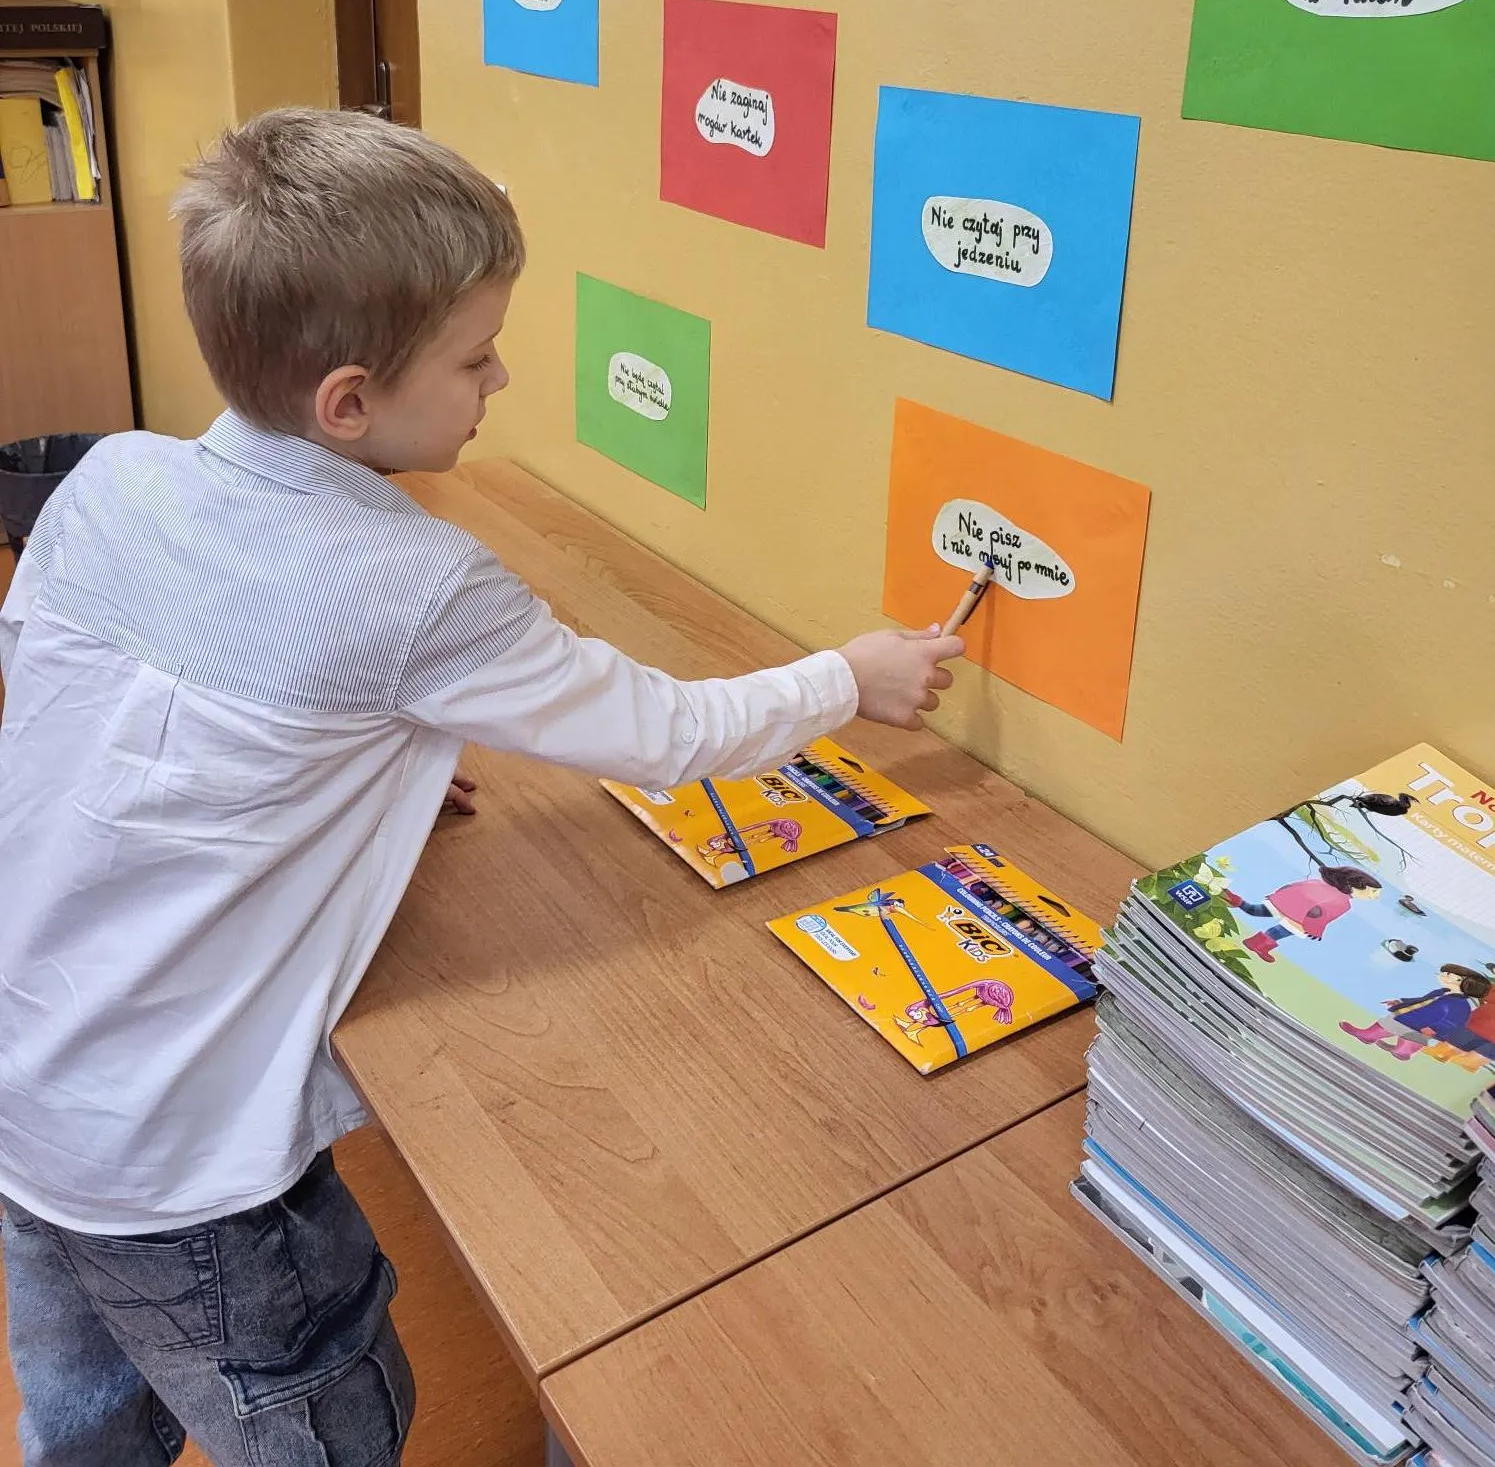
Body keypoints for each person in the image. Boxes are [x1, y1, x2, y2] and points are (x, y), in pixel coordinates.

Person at [0, 108, 965, 1467]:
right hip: (185, 1166)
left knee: (85, 1420)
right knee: (332, 1417)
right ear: (351, 403)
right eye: (473, 356)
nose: (499, 377)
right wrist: (846, 681)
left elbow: (78, 692)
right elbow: (669, 730)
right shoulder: (418, 585)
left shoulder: (111, 480)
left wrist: (352, 772)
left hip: (31, 1092)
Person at [1222, 864, 1382, 962]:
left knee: (1259, 910)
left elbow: (1295, 887)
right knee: (1286, 929)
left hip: (1287, 902)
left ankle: (1236, 901)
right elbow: (1320, 914)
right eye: (1373, 891)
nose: (1375, 896)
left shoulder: (1320, 884)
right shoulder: (1343, 903)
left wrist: (1281, 893)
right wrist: (1314, 930)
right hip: (1301, 916)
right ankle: (1257, 944)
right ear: (1358, 885)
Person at [1340, 965, 1491, 1061]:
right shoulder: (1441, 992)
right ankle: (1367, 1036)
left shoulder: (1460, 1005)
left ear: (1461, 981)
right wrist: (1400, 1001)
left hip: (1425, 1027)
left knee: (1411, 1040)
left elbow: (1453, 1023)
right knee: (1386, 1024)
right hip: (1409, 1017)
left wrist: (1435, 1030)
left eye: (1447, 974)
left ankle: (1403, 1052)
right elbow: (1421, 1000)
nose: (1442, 975)